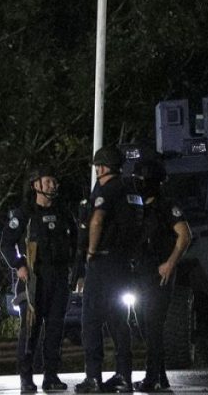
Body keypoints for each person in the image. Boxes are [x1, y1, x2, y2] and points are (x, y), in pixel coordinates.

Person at [0, 166, 77, 393]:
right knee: (30, 330)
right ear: (36, 185)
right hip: (34, 278)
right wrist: (19, 265)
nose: (52, 185)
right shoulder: (25, 214)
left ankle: (51, 376)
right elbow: (6, 243)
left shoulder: (63, 213)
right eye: (48, 181)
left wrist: (77, 269)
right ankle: (26, 377)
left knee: (55, 329)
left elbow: (76, 242)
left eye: (54, 181)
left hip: (59, 277)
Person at [75, 146, 134, 394]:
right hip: (123, 263)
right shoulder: (131, 190)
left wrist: (90, 251)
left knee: (91, 320)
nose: (97, 170)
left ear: (104, 167)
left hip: (103, 262)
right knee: (119, 320)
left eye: (98, 166)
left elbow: (97, 220)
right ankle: (123, 375)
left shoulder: (107, 189)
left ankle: (94, 376)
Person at [132, 158, 191, 392]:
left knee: (153, 326)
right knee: (145, 326)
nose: (137, 183)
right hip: (140, 273)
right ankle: (160, 377)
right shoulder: (137, 207)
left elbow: (184, 235)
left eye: (140, 179)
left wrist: (170, 263)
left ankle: (152, 378)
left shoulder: (167, 206)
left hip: (159, 274)